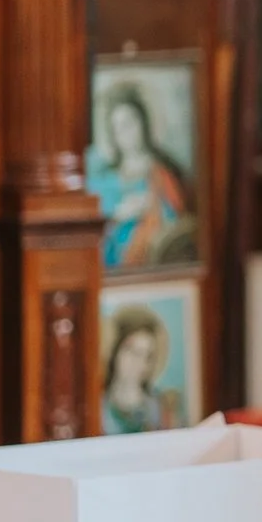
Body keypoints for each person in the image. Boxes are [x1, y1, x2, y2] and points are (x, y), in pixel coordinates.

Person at [87, 84, 194, 270]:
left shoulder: (163, 173)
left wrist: (152, 208)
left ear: (143, 122)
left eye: (129, 123)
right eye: (118, 128)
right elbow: (91, 234)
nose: (126, 134)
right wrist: (119, 216)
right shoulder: (104, 180)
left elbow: (180, 228)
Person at [102, 304, 179, 434]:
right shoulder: (99, 407)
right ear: (115, 351)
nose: (138, 362)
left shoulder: (159, 408)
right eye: (132, 351)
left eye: (146, 355)